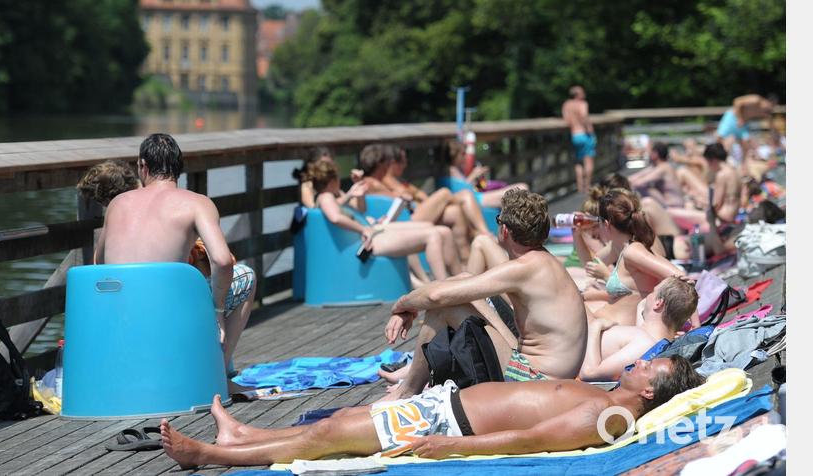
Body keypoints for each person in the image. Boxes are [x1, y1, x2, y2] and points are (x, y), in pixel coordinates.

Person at [157, 355, 704, 468]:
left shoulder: (607, 418)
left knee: (328, 434)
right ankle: (243, 431)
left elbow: (530, 440)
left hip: (449, 424)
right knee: (336, 427)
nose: (641, 363)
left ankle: (212, 456)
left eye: (650, 368)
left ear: (652, 392)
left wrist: (454, 446)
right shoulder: (607, 395)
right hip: (446, 407)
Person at [378, 189, 588, 402]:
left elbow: (436, 297)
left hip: (539, 381)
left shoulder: (524, 268)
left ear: (504, 229)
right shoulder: (541, 260)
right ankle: (413, 381)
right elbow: (463, 280)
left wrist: (402, 306)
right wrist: (410, 308)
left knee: (445, 307)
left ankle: (407, 390)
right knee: (460, 291)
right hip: (543, 369)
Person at [92, 135, 248, 380]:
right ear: (178, 168)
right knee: (246, 276)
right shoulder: (197, 203)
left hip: (121, 316)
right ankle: (216, 376)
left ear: (142, 166)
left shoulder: (116, 204)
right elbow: (223, 260)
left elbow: (98, 264)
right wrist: (217, 310)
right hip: (168, 313)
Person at [309, 158, 462, 280]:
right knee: (433, 234)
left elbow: (360, 209)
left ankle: (458, 279)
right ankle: (444, 288)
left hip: (373, 231)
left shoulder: (332, 197)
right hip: (368, 241)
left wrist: (357, 190)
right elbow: (335, 217)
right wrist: (364, 228)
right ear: (331, 181)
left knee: (441, 230)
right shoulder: (326, 197)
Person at [590, 189, 686, 327]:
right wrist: (580, 234)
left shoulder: (632, 251)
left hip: (624, 329)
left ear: (606, 224)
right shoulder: (622, 247)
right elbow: (594, 262)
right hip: (617, 323)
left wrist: (693, 324)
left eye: (598, 221)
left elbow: (680, 277)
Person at [579, 276, 698, 381]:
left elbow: (589, 373)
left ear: (658, 303)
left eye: (652, 292)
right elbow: (642, 305)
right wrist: (684, 290)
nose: (648, 296)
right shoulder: (650, 336)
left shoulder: (644, 344)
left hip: (576, 345)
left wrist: (595, 326)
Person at [668, 143, 743, 232]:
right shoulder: (735, 172)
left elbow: (715, 204)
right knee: (689, 207)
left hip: (721, 219)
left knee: (670, 213)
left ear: (713, 160)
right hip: (730, 217)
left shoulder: (722, 175)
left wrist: (697, 201)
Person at [443, 140, 528, 208]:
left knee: (521, 189)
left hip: (478, 197)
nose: (465, 156)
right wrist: (474, 175)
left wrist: (478, 181)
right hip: (478, 199)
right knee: (522, 188)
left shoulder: (457, 170)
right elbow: (462, 191)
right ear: (454, 155)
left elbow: (466, 187)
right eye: (463, 154)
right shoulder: (452, 170)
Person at [629, 142, 685, 208]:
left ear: (655, 154)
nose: (648, 154)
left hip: (674, 206)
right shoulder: (657, 167)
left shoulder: (663, 168)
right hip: (669, 205)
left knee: (645, 188)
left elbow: (639, 183)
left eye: (650, 152)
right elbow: (635, 176)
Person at [562, 85, 595, 194]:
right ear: (577, 95)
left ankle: (579, 187)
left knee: (578, 162)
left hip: (575, 135)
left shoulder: (566, 105)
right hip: (585, 134)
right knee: (588, 161)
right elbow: (584, 116)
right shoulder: (582, 104)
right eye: (582, 92)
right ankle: (587, 186)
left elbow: (566, 120)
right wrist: (590, 129)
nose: (584, 94)